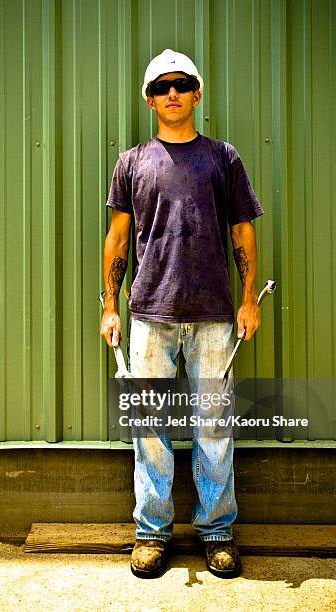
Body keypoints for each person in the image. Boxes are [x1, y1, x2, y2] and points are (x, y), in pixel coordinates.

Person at [100, 49, 264, 579]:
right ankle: (151, 532)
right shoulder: (132, 162)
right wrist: (109, 304)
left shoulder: (223, 158)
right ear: (149, 100)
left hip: (216, 315)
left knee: (213, 424)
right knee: (150, 426)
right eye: (162, 86)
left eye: (182, 83)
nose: (172, 93)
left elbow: (242, 230)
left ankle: (216, 531)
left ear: (197, 94)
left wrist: (247, 299)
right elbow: (118, 238)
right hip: (149, 315)